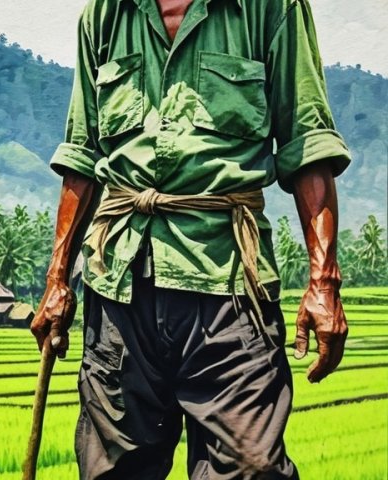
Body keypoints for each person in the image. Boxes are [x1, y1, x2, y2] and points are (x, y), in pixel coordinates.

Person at [31, 0, 351, 478]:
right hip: (119, 284)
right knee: (114, 470)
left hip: (228, 285)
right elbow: (82, 158)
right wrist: (58, 279)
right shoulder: (103, 15)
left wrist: (323, 283)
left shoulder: (271, 9)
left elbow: (308, 146)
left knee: (251, 467)